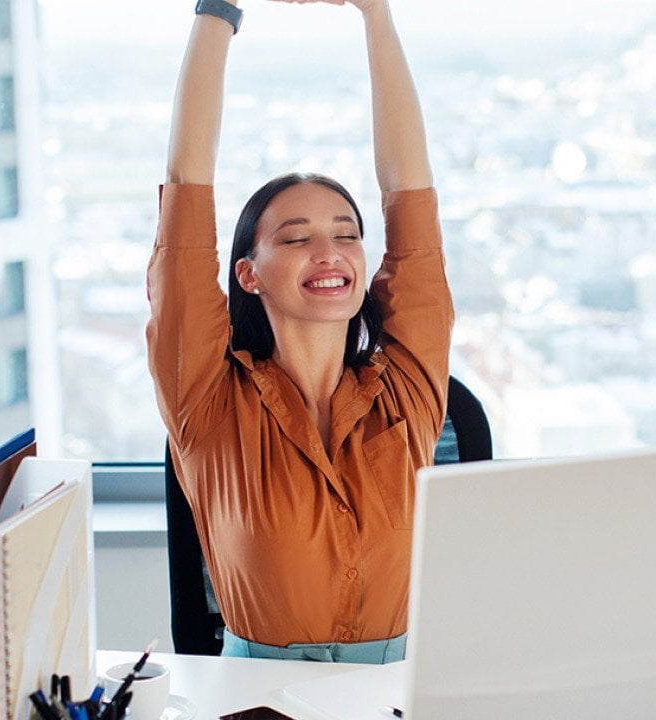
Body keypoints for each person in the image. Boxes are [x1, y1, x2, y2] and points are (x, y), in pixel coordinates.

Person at [145, 0, 452, 664]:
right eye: (297, 238)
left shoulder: (408, 393)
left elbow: (411, 192)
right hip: (253, 702)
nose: (330, 252)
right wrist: (218, 11)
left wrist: (375, 13)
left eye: (346, 235)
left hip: (398, 698)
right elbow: (186, 187)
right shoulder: (206, 403)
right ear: (249, 275)